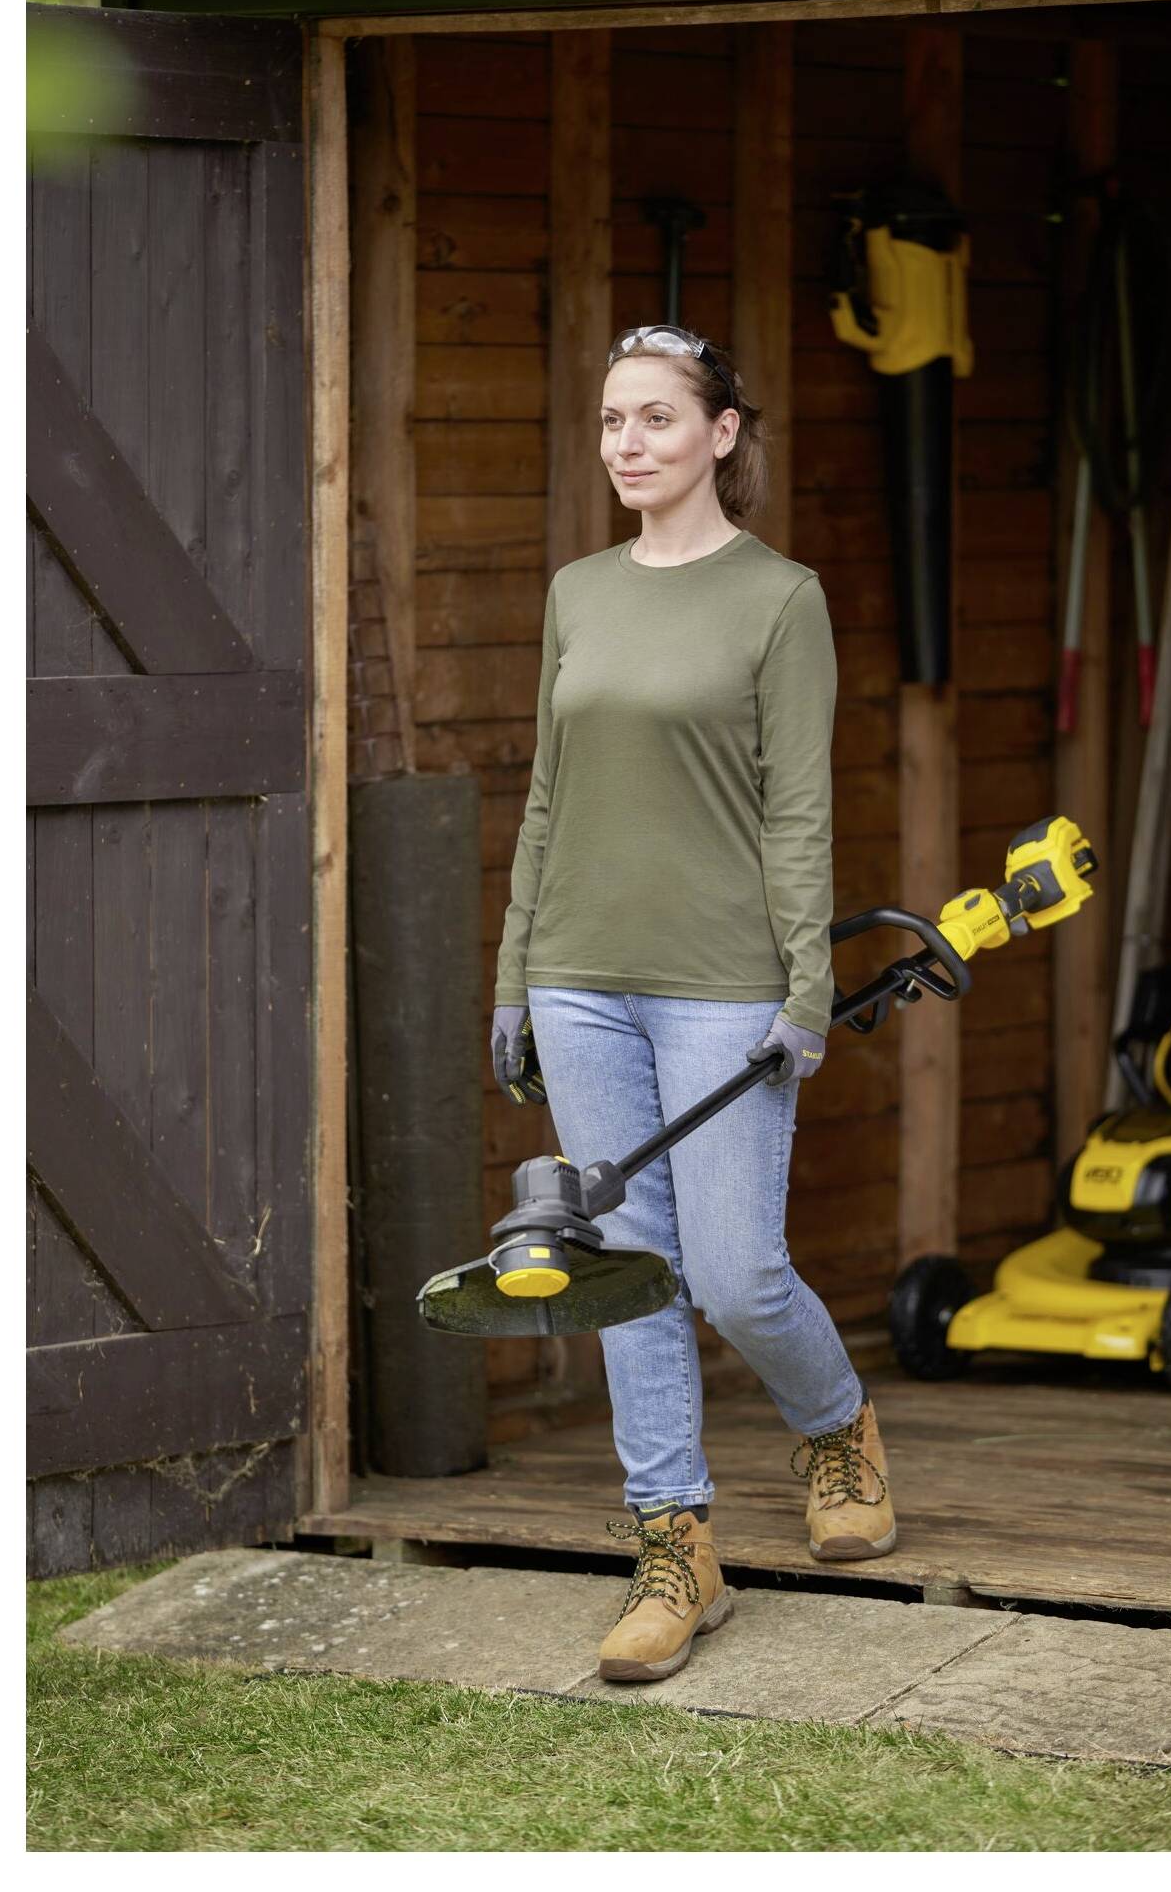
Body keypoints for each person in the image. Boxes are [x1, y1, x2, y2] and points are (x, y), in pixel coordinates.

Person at [490, 324, 895, 1685]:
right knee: (625, 1273)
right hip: (582, 979)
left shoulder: (780, 599)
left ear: (721, 434)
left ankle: (835, 1426)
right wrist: (513, 979)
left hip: (725, 986)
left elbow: (797, 811)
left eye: (657, 420)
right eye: (612, 421)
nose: (628, 444)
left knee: (731, 1272)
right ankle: (677, 1547)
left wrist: (807, 988)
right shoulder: (579, 592)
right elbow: (550, 798)